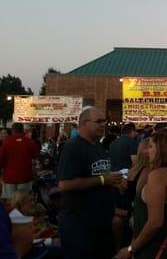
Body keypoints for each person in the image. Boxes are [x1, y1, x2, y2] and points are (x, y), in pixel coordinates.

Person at [57, 106, 125, 259]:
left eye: (104, 121)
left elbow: (100, 175)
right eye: (99, 121)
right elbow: (64, 184)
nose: (103, 124)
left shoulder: (98, 147)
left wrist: (115, 181)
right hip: (80, 226)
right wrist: (102, 180)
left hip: (101, 224)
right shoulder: (73, 147)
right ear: (84, 123)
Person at [117, 127, 167, 259]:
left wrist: (131, 249)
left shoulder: (158, 176)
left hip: (155, 249)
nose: (147, 151)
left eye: (151, 146)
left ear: (163, 150)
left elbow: (155, 222)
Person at [0, 123, 40, 200]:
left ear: (12, 130)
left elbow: (1, 159)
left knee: (10, 202)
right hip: (25, 177)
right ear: (22, 130)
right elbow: (36, 155)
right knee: (24, 202)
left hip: (9, 177)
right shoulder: (29, 141)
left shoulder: (6, 142)